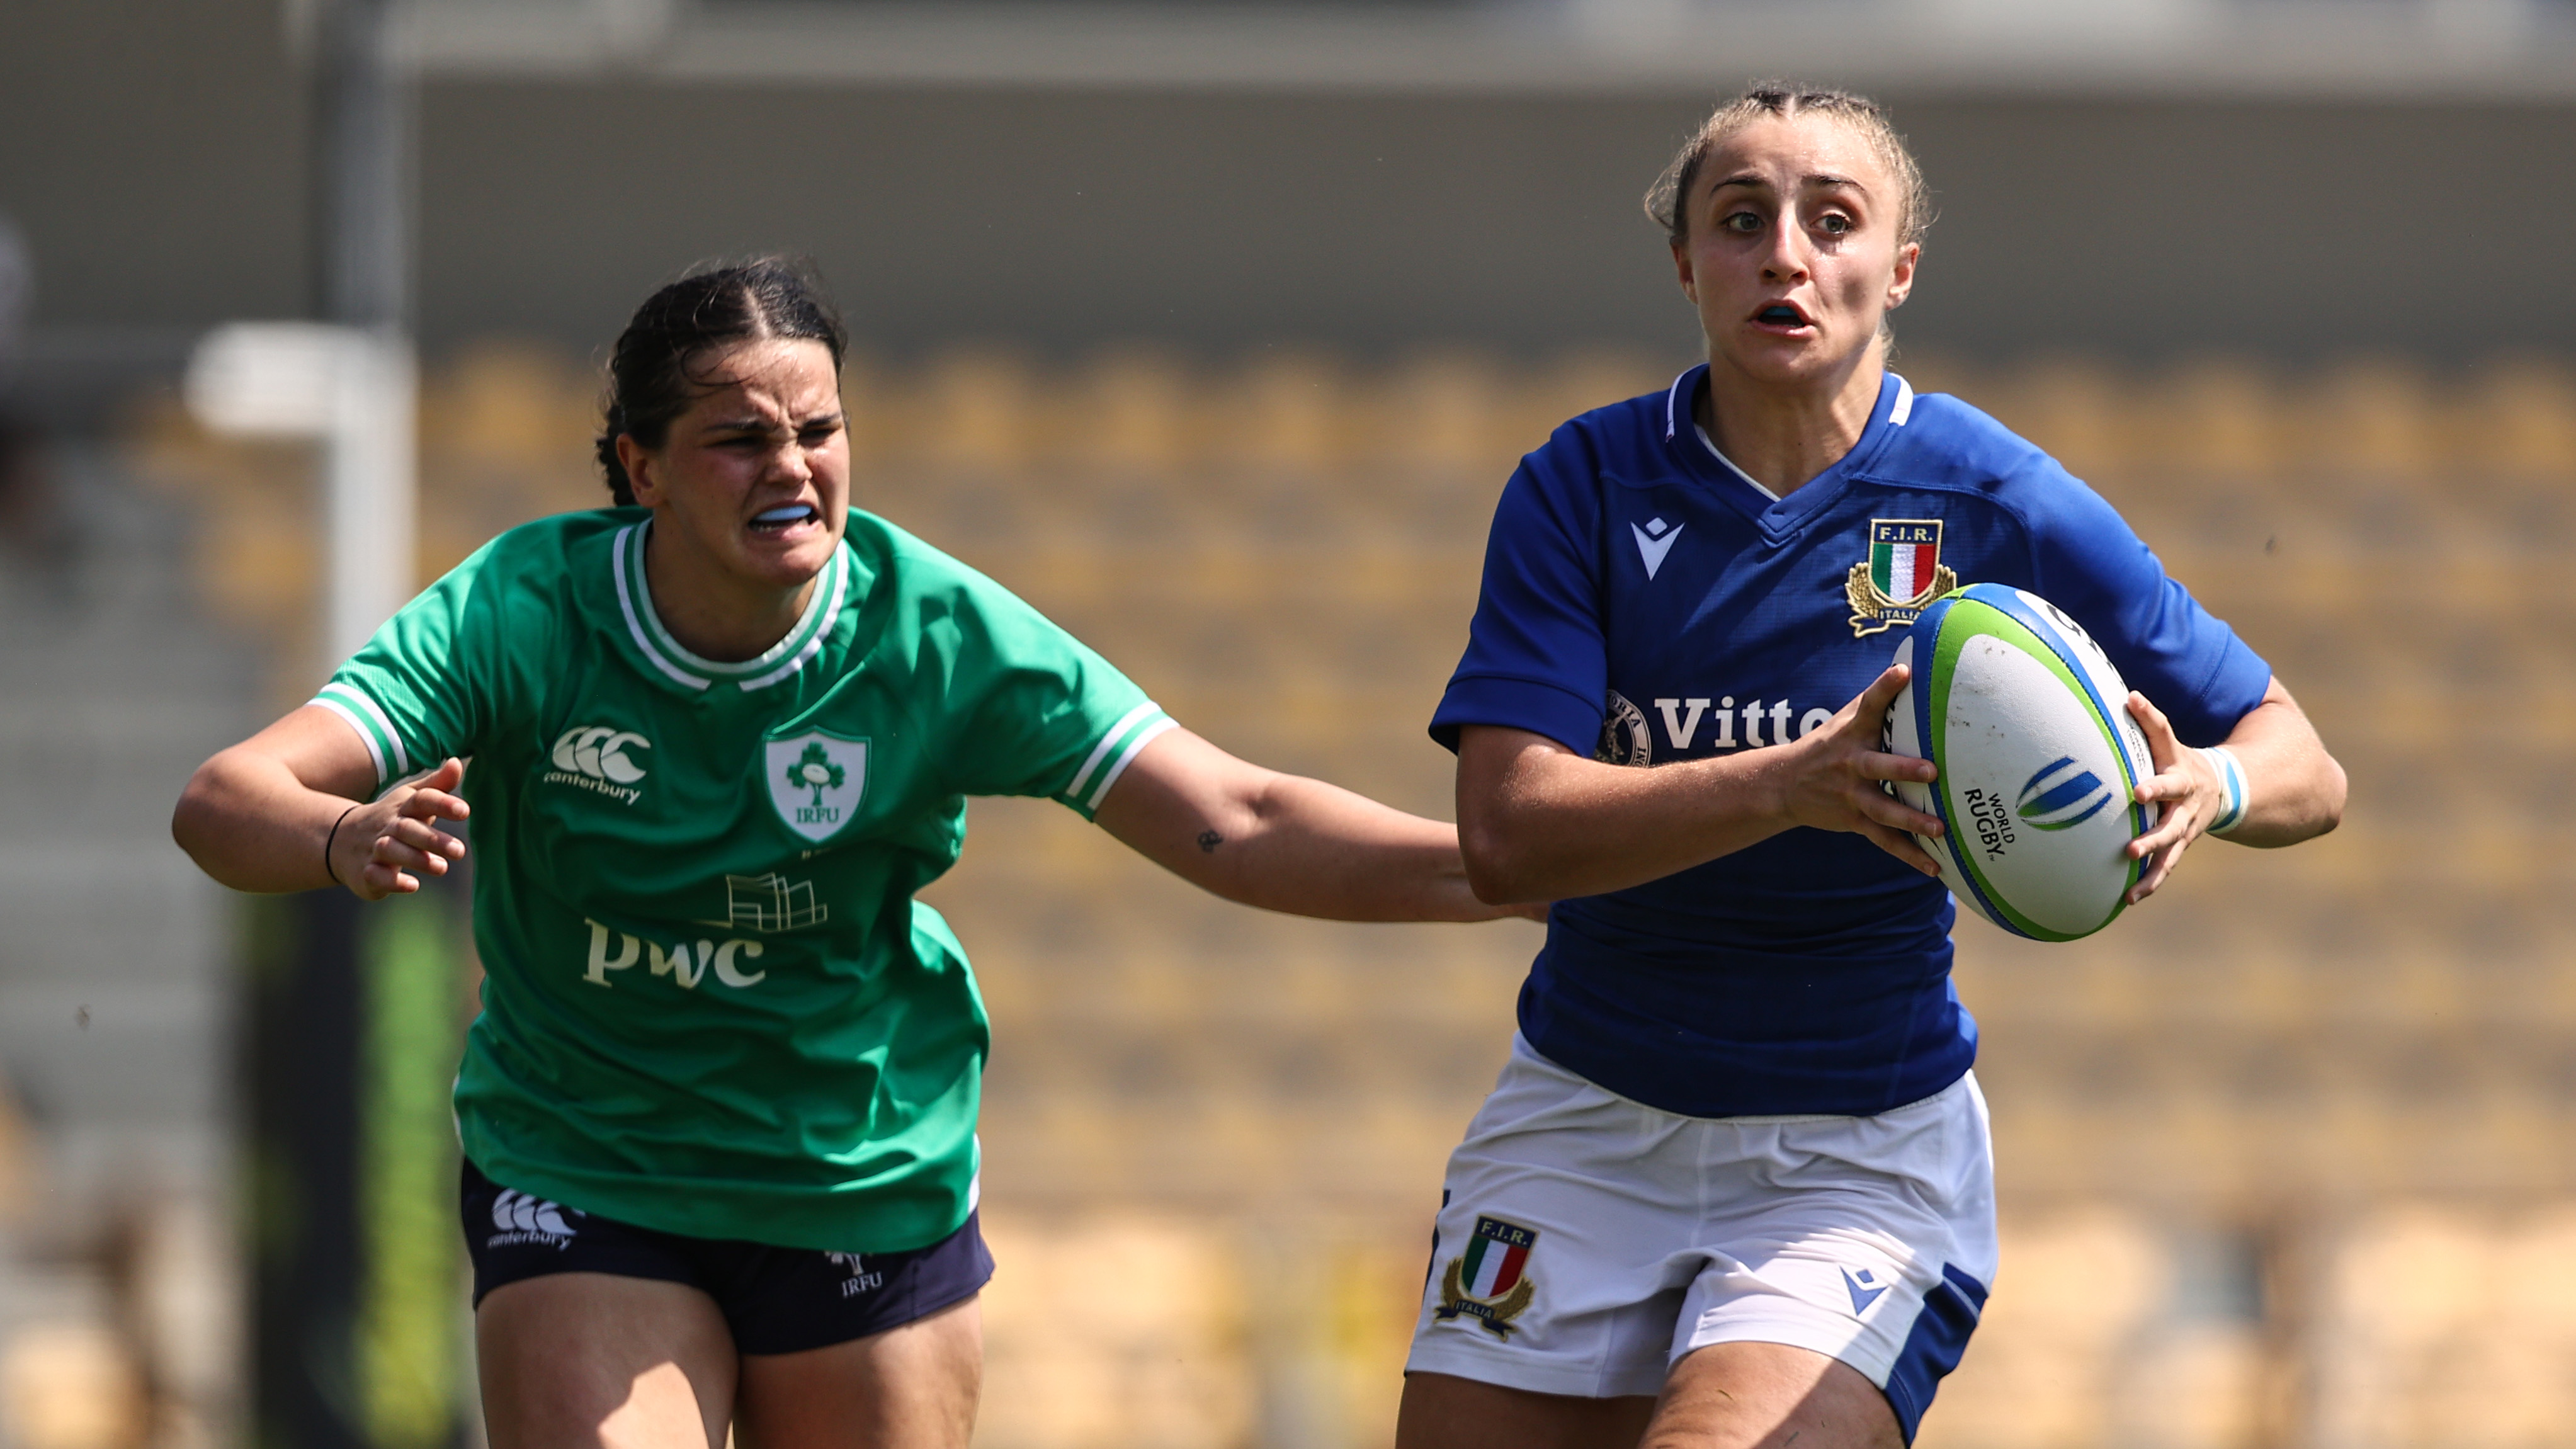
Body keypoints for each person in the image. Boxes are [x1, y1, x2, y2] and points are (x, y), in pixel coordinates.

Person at [171, 258, 1527, 1449]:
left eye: (819, 429)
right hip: (590, 1166)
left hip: (858, 1176)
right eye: (738, 438)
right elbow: (225, 797)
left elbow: (1237, 817)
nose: (792, 466)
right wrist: (340, 833)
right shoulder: (521, 613)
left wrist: (1521, 871)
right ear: (641, 469)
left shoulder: (933, 633)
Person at [1398, 87, 2345, 1449]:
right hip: (1581, 1120)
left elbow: (2305, 759)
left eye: (1832, 221)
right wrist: (1785, 781)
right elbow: (1507, 836)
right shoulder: (1584, 486)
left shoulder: (1995, 497)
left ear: (1898, 268)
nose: (1785, 254)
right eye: (1742, 221)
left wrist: (2215, 781)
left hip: (1852, 1150)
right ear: (1686, 265)